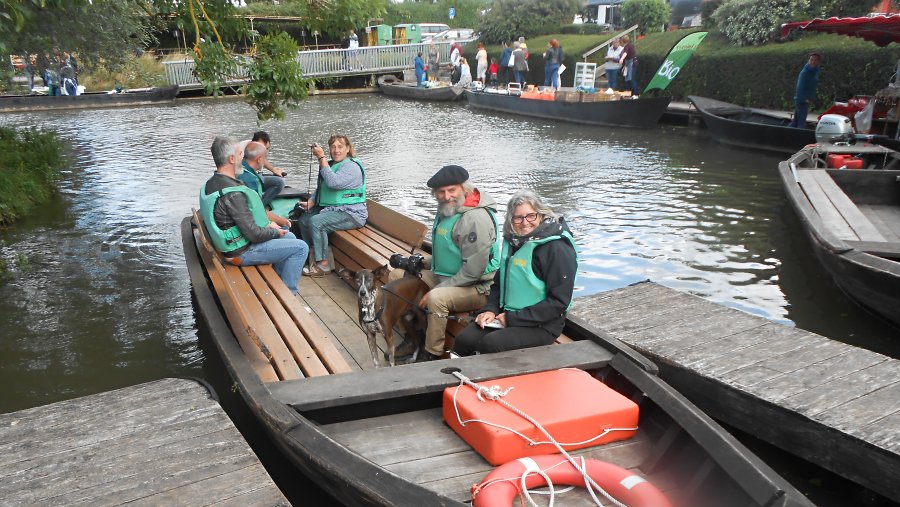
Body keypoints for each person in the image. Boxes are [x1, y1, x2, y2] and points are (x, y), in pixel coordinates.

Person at [388, 165, 501, 361]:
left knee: (437, 298)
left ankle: (431, 353)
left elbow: (473, 271)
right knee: (396, 277)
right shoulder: (447, 211)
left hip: (478, 287)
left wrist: (434, 290)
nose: (446, 196)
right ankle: (412, 336)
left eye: (452, 190)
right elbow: (450, 254)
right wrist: (422, 262)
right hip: (448, 276)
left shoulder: (475, 218)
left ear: (464, 189)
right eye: (441, 192)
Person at [454, 190, 577, 356]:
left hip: (542, 325)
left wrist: (513, 319)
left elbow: (559, 302)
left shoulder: (557, 249)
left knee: (492, 344)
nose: (524, 222)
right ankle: (460, 378)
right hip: (507, 315)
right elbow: (499, 286)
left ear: (540, 215)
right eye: (518, 217)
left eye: (530, 216)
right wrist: (490, 310)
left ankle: (488, 380)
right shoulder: (515, 242)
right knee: (464, 339)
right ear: (511, 220)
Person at [199, 136, 309, 294]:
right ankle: (289, 297)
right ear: (231, 159)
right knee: (301, 248)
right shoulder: (233, 195)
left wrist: (271, 227)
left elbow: (243, 223)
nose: (242, 158)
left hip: (234, 245)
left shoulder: (212, 183)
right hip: (240, 252)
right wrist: (275, 231)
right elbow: (254, 234)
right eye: (240, 154)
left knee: (290, 238)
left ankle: (279, 287)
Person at [298, 135, 368, 277]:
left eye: (340, 147)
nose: (336, 150)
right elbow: (322, 187)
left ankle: (323, 264)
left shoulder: (352, 166)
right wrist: (312, 201)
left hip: (352, 213)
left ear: (348, 149)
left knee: (317, 222)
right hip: (336, 208)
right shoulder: (333, 164)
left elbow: (333, 183)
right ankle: (311, 258)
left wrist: (321, 158)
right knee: (304, 220)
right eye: (333, 147)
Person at [238, 141, 290, 210]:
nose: (265, 162)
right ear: (259, 159)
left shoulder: (238, 166)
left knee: (278, 181)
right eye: (264, 158)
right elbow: (252, 211)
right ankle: (262, 206)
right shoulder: (252, 180)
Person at [789, 53, 821, 128]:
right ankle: (799, 137)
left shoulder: (815, 72)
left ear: (818, 62)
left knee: (795, 122)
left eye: (815, 60)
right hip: (802, 100)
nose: (813, 61)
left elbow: (812, 86)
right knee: (801, 122)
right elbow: (799, 87)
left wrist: (811, 98)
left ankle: (785, 134)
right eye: (811, 59)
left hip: (807, 100)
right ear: (808, 60)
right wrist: (804, 99)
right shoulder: (804, 72)